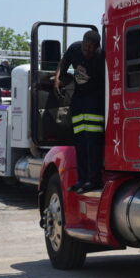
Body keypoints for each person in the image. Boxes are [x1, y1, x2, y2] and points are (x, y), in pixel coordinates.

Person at [55, 30, 105, 193]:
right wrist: (58, 77)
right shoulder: (75, 48)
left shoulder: (101, 57)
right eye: (86, 45)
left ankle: (94, 180)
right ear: (82, 42)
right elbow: (64, 61)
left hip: (94, 100)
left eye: (91, 47)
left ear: (97, 46)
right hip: (79, 99)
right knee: (80, 142)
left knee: (92, 143)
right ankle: (82, 180)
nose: (88, 50)